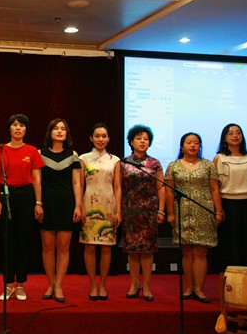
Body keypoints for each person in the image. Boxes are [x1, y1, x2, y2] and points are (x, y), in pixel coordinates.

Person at [0, 114, 44, 301]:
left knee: (23, 241)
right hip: (6, 196)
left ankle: (20, 284)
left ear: (26, 129)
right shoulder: (0, 150)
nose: (18, 128)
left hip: (26, 196)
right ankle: (7, 284)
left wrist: (38, 202)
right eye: (15, 125)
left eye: (21, 125)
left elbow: (36, 178)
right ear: (9, 129)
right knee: (8, 241)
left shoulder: (32, 151)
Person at [165, 132, 224, 303]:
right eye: (189, 142)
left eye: (196, 143)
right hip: (182, 211)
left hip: (203, 210)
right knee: (187, 252)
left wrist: (219, 211)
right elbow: (169, 191)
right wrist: (170, 213)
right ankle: (189, 288)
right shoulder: (173, 166)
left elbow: (214, 189)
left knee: (200, 251)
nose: (192, 145)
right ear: (182, 146)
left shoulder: (208, 165)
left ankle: (199, 289)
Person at [213, 123, 247, 271]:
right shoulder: (219, 158)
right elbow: (214, 187)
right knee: (231, 241)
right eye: (230, 133)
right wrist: (218, 209)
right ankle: (231, 275)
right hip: (228, 203)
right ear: (224, 138)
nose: (235, 136)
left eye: (238, 133)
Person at [39, 118, 82, 303]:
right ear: (50, 132)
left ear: (67, 133)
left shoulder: (73, 155)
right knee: (48, 247)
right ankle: (50, 284)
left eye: (63, 129)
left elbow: (76, 182)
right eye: (56, 128)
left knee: (63, 247)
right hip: (47, 203)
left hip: (66, 203)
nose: (59, 131)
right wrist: (38, 203)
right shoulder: (40, 154)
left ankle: (59, 286)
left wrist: (78, 205)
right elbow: (37, 181)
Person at [121, 124, 165, 302]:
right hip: (130, 210)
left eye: (146, 139)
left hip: (149, 211)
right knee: (132, 250)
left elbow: (161, 188)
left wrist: (161, 209)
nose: (142, 141)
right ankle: (134, 284)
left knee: (147, 251)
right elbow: (119, 187)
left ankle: (146, 286)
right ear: (131, 141)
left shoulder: (154, 163)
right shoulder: (124, 162)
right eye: (138, 138)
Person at [80, 123, 121, 301]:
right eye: (97, 136)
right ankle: (92, 284)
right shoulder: (83, 158)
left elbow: (117, 187)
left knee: (106, 247)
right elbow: (79, 185)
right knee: (89, 246)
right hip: (89, 204)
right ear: (91, 138)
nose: (101, 139)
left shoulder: (115, 160)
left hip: (108, 204)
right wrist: (79, 206)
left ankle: (103, 284)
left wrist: (118, 211)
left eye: (104, 136)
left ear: (109, 139)